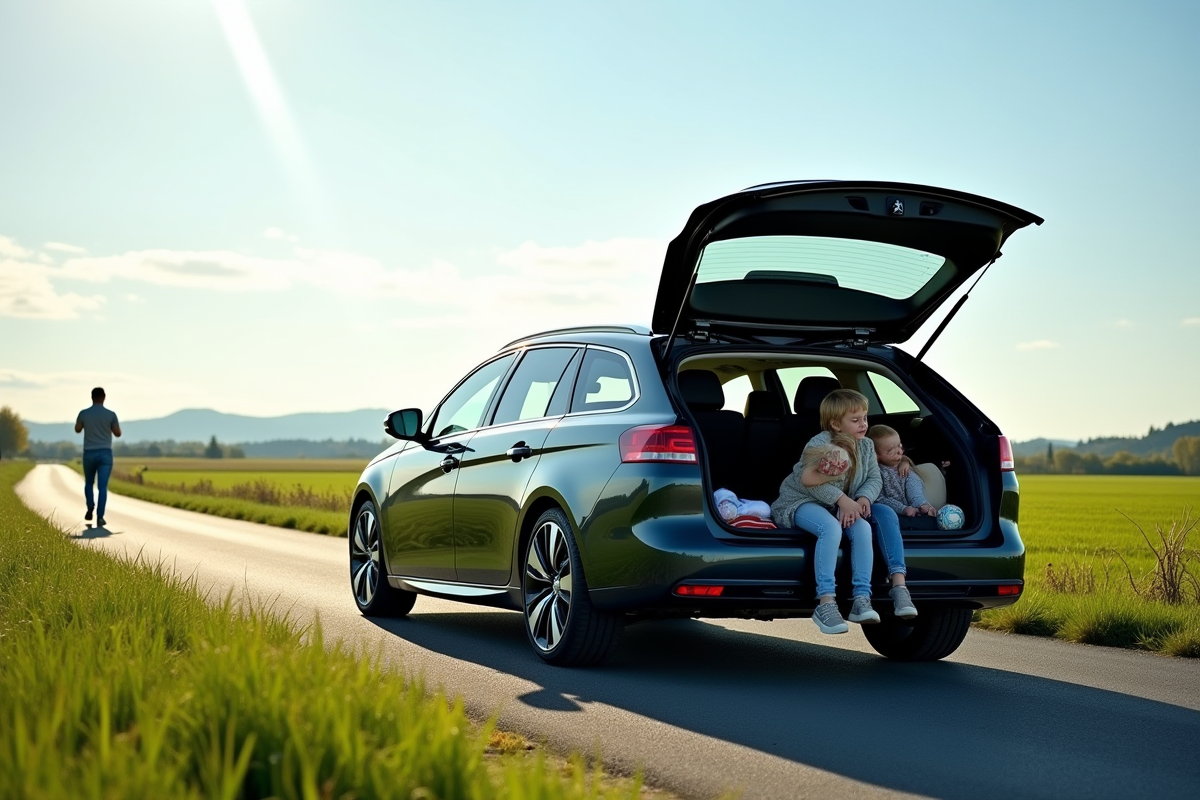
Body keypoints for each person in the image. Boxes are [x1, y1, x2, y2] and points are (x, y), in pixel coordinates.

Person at [770, 389, 917, 634]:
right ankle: (826, 601)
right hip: (800, 501)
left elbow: (873, 477)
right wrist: (841, 500)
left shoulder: (868, 446)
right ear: (836, 424)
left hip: (841, 504)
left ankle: (861, 598)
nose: (863, 424)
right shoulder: (819, 444)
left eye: (865, 418)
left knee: (861, 527)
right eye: (855, 419)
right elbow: (809, 481)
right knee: (830, 528)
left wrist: (861, 498)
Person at [867, 424, 937, 519]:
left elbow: (914, 488)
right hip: (891, 515)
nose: (899, 452)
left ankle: (923, 505)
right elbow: (879, 499)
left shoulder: (904, 467)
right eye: (891, 450)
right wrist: (903, 509)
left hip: (913, 511)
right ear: (875, 454)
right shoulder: (874, 473)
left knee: (911, 477)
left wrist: (920, 503)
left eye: (899, 446)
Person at [75, 387, 121, 526]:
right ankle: (100, 516)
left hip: (89, 452)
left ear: (91, 397)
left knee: (89, 482)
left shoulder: (84, 413)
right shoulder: (111, 415)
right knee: (102, 487)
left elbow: (77, 429)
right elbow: (117, 433)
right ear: (104, 397)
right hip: (105, 453)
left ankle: (90, 507)